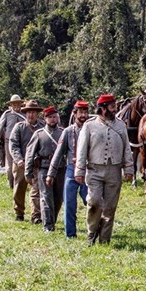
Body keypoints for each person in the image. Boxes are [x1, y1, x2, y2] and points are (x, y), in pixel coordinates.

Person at [75, 94, 133, 246]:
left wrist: (129, 168)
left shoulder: (120, 125)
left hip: (114, 170)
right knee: (94, 202)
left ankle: (105, 239)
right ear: (103, 108)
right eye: (112, 107)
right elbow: (81, 150)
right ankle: (91, 232)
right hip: (94, 170)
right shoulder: (89, 126)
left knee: (110, 206)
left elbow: (127, 147)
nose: (115, 110)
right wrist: (79, 171)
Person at [47, 100, 90, 239]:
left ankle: (94, 231)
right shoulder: (67, 132)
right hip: (71, 170)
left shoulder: (92, 129)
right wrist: (51, 174)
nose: (83, 115)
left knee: (91, 201)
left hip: (88, 170)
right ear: (75, 113)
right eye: (80, 112)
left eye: (85, 112)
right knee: (69, 203)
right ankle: (70, 234)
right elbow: (58, 154)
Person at [25, 106, 65, 233]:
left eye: (55, 117)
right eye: (50, 117)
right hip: (44, 168)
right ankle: (47, 225)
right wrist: (28, 172)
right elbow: (30, 153)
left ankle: (52, 220)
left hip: (60, 169)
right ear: (45, 118)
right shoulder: (39, 134)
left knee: (58, 197)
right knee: (46, 197)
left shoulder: (63, 133)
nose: (53, 120)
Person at [9, 100, 45, 223]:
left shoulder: (43, 127)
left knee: (37, 190)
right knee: (19, 188)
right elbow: (13, 145)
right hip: (21, 163)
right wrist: (19, 160)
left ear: (37, 114)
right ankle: (19, 212)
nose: (31, 115)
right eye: (29, 112)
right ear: (26, 113)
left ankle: (36, 215)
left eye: (34, 112)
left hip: (36, 164)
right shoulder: (19, 127)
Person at [0, 95, 26, 187]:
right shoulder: (7, 114)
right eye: (14, 104)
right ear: (11, 105)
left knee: (22, 164)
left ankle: (20, 184)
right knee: (10, 165)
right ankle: (11, 184)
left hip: (23, 143)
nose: (16, 106)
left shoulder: (25, 114)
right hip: (9, 143)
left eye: (18, 104)